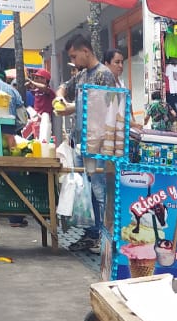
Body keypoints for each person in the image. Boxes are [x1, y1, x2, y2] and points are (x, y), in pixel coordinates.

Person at [55, 34, 116, 250]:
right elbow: (65, 86)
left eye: (74, 56)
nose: (74, 60)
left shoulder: (104, 76)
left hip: (98, 144)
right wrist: (61, 98)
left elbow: (107, 111)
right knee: (88, 192)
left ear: (86, 51)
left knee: (100, 192)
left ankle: (105, 237)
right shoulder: (81, 76)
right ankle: (91, 233)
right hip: (81, 141)